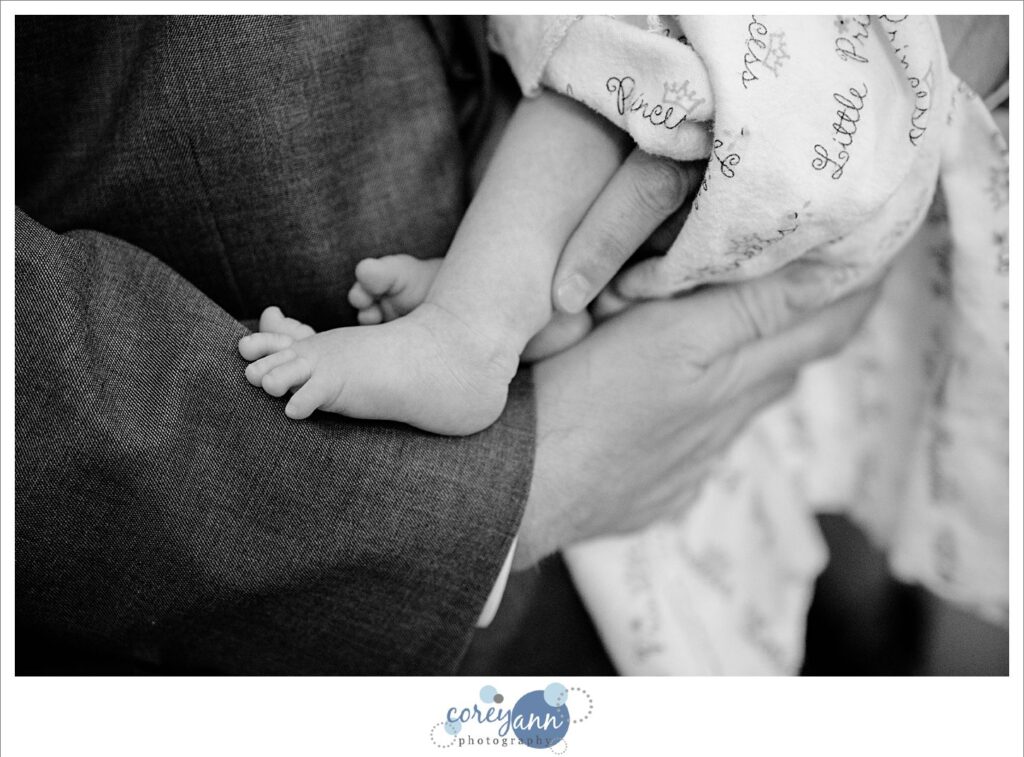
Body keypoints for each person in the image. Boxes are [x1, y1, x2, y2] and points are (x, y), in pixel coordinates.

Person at [14, 15, 879, 675]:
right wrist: (521, 491)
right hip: (340, 618)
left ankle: (481, 321)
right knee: (609, 59)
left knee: (622, 56)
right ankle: (492, 314)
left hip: (693, 488)